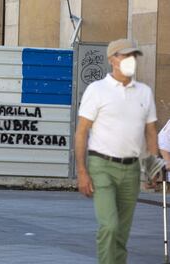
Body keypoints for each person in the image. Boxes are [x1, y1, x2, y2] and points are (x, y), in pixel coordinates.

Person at [75, 39, 158, 264]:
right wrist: (82, 171)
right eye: (125, 56)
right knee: (109, 226)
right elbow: (81, 132)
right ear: (112, 60)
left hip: (131, 169)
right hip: (101, 166)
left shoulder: (144, 92)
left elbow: (150, 132)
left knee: (122, 231)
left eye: (134, 56)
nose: (131, 60)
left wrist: (152, 168)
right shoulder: (97, 90)